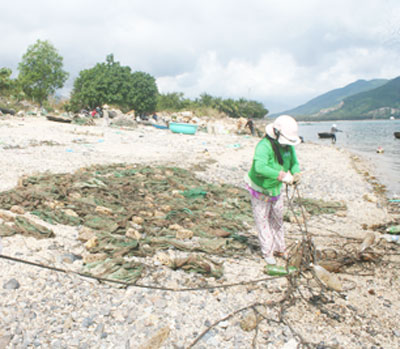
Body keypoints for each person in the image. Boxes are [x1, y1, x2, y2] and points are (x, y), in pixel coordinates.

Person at [244, 115, 301, 265]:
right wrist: (281, 175)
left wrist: (296, 173)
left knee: (277, 219)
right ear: (276, 132)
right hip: (261, 189)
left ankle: (280, 248)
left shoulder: (288, 146)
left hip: (276, 189)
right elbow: (259, 167)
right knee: (263, 221)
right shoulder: (264, 146)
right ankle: (267, 252)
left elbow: (294, 162)